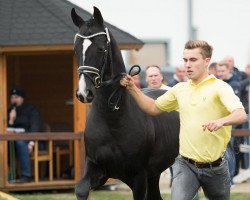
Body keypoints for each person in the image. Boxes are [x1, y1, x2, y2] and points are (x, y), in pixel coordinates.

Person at [120, 40, 247, 199]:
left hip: (215, 167)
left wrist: (220, 121)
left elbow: (240, 114)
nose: (187, 65)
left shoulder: (220, 87)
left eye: (193, 60)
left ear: (206, 61)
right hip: (185, 165)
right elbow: (152, 107)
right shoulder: (180, 89)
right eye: (185, 60)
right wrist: (132, 89)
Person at [7, 87, 43, 183]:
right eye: (12, 97)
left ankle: (26, 175)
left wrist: (31, 143)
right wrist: (11, 120)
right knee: (7, 144)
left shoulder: (31, 109)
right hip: (14, 140)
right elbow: (8, 130)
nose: (14, 99)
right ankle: (11, 174)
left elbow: (36, 126)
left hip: (32, 141)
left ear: (22, 98)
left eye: (16, 97)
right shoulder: (10, 111)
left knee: (20, 142)